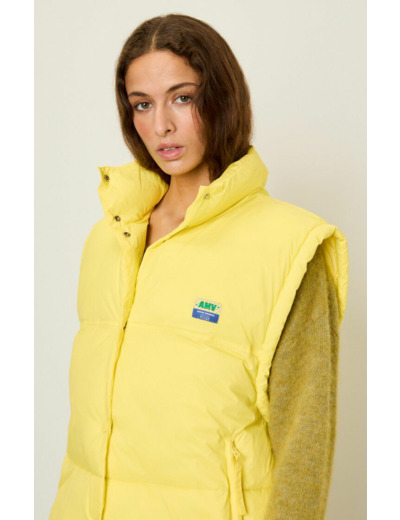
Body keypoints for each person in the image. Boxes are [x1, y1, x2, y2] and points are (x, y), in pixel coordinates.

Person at [49, 13, 349, 520]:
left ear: (222, 97)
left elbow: (305, 444)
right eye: (142, 104)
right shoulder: (109, 238)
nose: (161, 125)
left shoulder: (291, 245)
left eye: (183, 98)